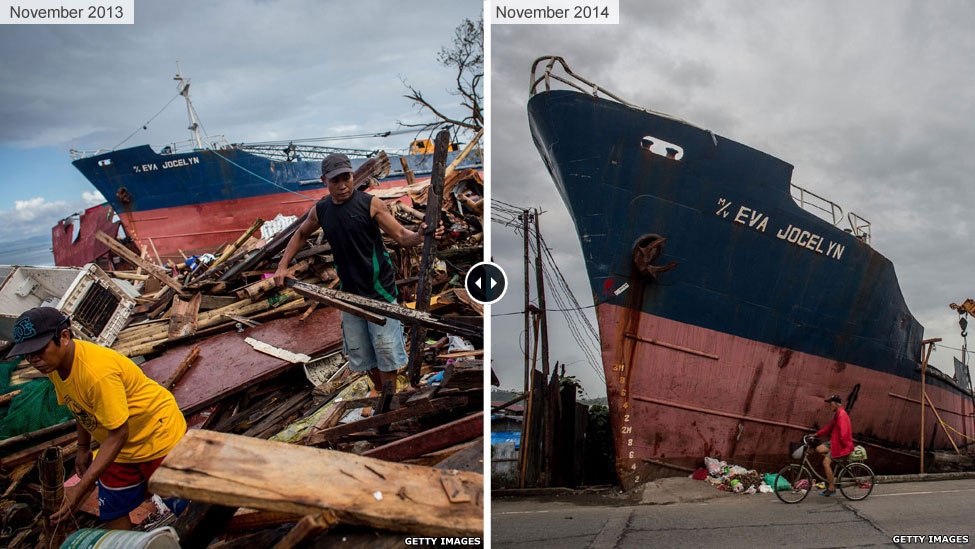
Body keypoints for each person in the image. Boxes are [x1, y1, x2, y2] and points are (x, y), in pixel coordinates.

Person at [274, 153, 439, 405]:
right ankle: (382, 391)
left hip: (379, 291)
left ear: (353, 176)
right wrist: (282, 267)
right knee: (362, 353)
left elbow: (401, 236)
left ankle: (389, 398)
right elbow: (299, 235)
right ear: (324, 181)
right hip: (349, 295)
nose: (342, 185)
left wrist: (419, 235)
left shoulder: (371, 204)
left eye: (346, 178)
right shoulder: (321, 211)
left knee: (386, 350)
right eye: (335, 180)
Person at [5, 307, 186, 529]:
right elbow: (80, 407)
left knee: (186, 508)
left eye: (38, 350)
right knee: (112, 511)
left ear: (63, 337)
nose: (33, 360)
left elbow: (119, 433)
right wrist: (82, 448)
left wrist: (80, 489)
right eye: (27, 354)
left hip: (156, 435)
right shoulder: (55, 367)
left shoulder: (97, 373)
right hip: (121, 448)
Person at [813, 394, 854, 496]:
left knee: (826, 463)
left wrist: (843, 449)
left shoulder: (842, 415)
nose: (829, 405)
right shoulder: (837, 415)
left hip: (841, 446)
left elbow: (844, 436)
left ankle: (831, 488)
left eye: (831, 403)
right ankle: (832, 462)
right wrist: (816, 434)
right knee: (818, 449)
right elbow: (828, 428)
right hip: (834, 443)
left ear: (836, 403)